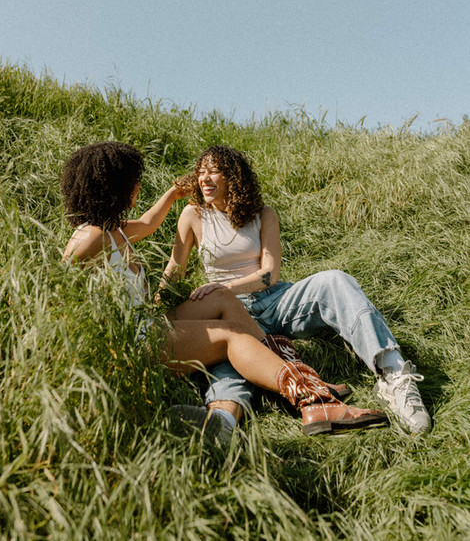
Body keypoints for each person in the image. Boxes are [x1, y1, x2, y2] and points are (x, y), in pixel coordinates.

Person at [61, 141, 387, 442]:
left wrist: (173, 194)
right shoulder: (89, 238)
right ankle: (314, 400)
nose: (138, 187)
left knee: (220, 297)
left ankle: (297, 381)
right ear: (117, 186)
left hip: (147, 324)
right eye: (135, 180)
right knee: (232, 336)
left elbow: (148, 223)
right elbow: (59, 296)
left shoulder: (113, 230)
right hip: (133, 343)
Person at [161, 145, 432, 435]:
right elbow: (174, 268)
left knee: (335, 280)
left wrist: (223, 287)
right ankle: (223, 423)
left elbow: (269, 273)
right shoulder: (193, 215)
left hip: (275, 300)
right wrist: (154, 307)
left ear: (234, 177)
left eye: (214, 171)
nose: (204, 178)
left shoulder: (263, 214)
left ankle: (393, 374)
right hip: (229, 314)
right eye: (201, 172)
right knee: (231, 362)